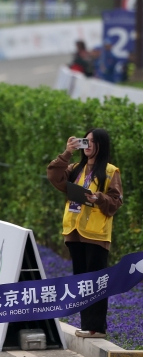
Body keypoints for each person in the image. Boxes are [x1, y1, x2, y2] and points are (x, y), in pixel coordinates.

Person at [47, 129, 123, 338]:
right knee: (81, 282)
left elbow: (116, 202)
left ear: (101, 145)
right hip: (74, 232)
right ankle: (87, 325)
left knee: (96, 281)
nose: (87, 146)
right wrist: (66, 153)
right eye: (85, 142)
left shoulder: (110, 171)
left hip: (96, 234)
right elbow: (54, 175)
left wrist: (98, 198)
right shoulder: (76, 168)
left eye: (92, 142)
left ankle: (97, 328)